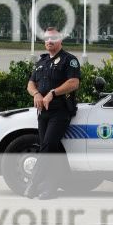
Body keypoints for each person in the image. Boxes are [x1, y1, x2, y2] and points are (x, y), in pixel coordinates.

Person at [25, 28, 82, 200]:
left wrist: (53, 93)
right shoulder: (41, 62)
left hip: (61, 110)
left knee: (48, 146)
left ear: (60, 41)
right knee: (51, 149)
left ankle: (34, 183)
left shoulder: (69, 60)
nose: (50, 41)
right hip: (43, 112)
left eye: (54, 38)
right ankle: (51, 188)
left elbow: (73, 83)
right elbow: (30, 84)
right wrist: (36, 94)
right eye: (47, 39)